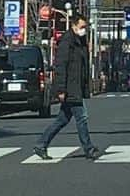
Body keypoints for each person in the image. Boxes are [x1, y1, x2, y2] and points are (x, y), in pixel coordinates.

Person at [33, 14, 102, 161]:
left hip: (75, 86)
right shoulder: (67, 42)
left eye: (85, 27)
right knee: (81, 118)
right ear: (74, 25)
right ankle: (88, 148)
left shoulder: (80, 42)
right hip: (70, 87)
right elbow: (60, 67)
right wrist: (61, 89)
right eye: (82, 27)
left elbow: (82, 67)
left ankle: (41, 144)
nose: (84, 30)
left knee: (62, 120)